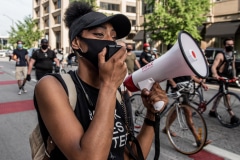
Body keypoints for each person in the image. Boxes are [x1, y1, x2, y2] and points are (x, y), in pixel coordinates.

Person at [33, 1, 168, 159]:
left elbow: (131, 156)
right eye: (99, 35)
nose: (110, 42)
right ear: (77, 43)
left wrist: (151, 116)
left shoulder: (118, 93)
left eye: (114, 37)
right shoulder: (53, 86)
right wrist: (109, 85)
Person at [162, 75, 212, 146]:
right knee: (188, 112)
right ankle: (198, 140)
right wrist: (173, 83)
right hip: (178, 87)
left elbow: (190, 75)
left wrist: (201, 83)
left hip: (186, 87)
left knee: (178, 109)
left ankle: (166, 128)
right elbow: (167, 73)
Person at [209, 38, 239, 124]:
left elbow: (233, 67)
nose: (230, 46)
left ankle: (212, 110)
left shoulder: (232, 55)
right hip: (221, 76)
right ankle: (232, 116)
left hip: (228, 76)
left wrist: (234, 76)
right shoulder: (220, 55)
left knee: (220, 94)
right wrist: (215, 74)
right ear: (224, 45)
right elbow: (213, 66)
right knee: (227, 95)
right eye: (228, 44)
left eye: (232, 44)